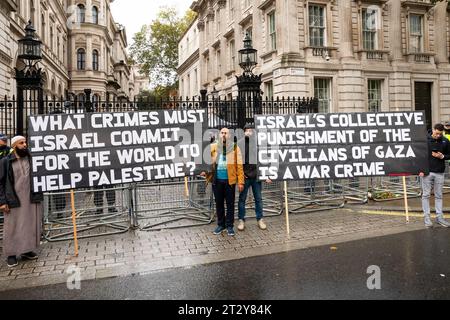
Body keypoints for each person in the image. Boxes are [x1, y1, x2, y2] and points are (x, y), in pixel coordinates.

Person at [0, 136, 43, 268]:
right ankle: (11, 254)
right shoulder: (5, 161)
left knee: (30, 224)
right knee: (12, 227)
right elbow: (0, 183)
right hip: (13, 199)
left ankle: (27, 250)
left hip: (30, 197)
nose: (25, 145)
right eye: (21, 143)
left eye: (25, 142)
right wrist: (2, 201)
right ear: (14, 146)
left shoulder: (31, 158)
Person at [203, 128, 244, 236]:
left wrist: (241, 181)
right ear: (219, 135)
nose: (224, 135)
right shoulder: (213, 146)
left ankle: (230, 226)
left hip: (230, 181)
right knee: (219, 204)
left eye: (226, 133)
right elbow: (206, 161)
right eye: (222, 133)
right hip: (217, 180)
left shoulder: (235, 147)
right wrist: (204, 172)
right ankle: (221, 224)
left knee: (230, 204)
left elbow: (239, 165)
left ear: (229, 135)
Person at [237, 123, 268, 231]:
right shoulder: (239, 144)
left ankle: (260, 219)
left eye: (251, 130)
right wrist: (240, 176)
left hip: (256, 177)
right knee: (242, 199)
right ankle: (241, 220)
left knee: (258, 199)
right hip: (244, 177)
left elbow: (263, 159)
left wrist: (265, 174)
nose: (249, 132)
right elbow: (237, 162)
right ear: (244, 131)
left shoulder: (257, 143)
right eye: (247, 130)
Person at [420, 123, 450, 228]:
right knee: (426, 195)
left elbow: (449, 154)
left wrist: (442, 156)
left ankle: (439, 217)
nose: (438, 136)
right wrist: (420, 169)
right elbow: (420, 155)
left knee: (439, 195)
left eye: (440, 134)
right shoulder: (425, 140)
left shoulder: (445, 141)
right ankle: (427, 218)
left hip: (440, 172)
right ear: (433, 130)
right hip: (427, 172)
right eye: (437, 133)